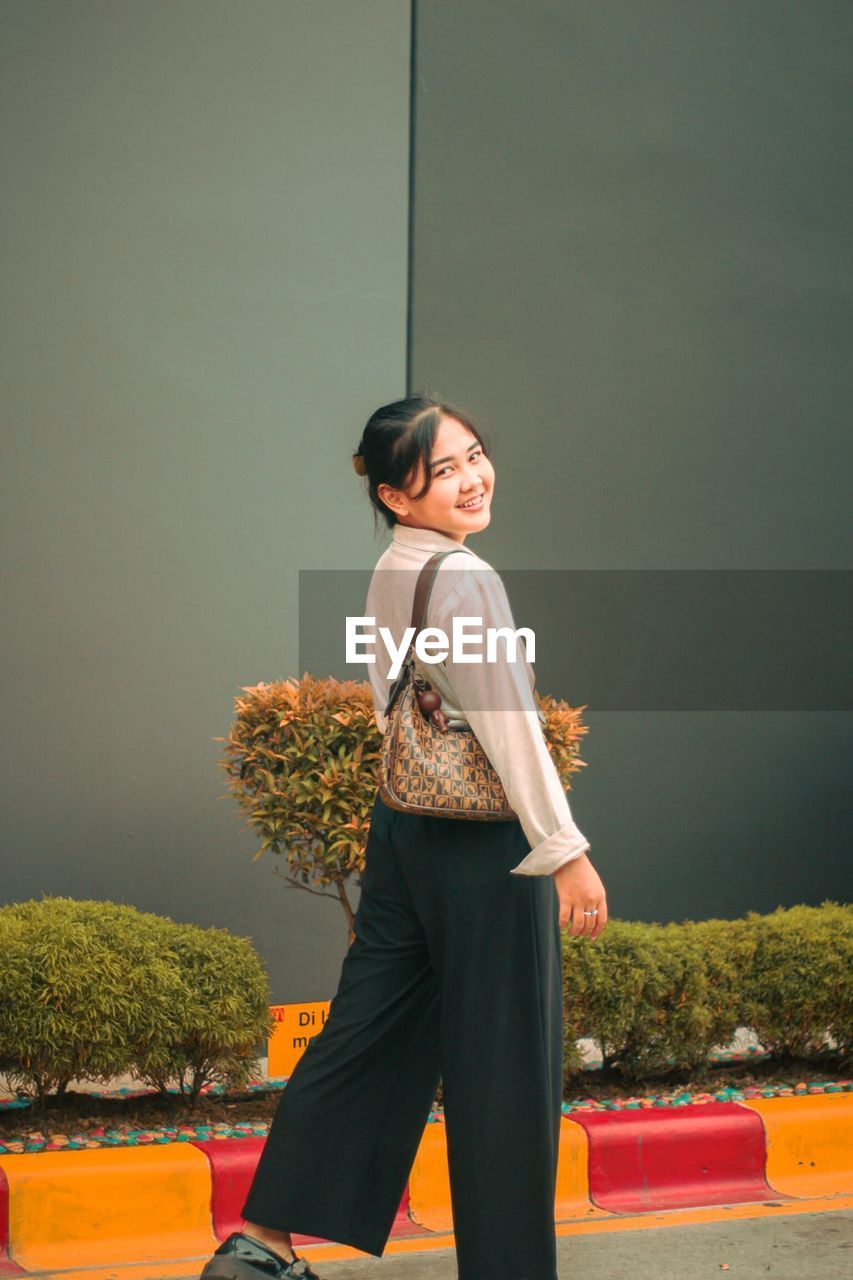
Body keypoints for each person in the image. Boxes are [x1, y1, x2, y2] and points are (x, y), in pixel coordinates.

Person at [199, 395, 608, 1280]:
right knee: (504, 1066)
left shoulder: (398, 567)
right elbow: (507, 728)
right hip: (483, 846)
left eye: (472, 456)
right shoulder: (464, 577)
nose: (469, 479)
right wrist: (564, 850)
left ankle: (260, 1244)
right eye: (441, 472)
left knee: (366, 1032)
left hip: (404, 830)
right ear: (395, 493)